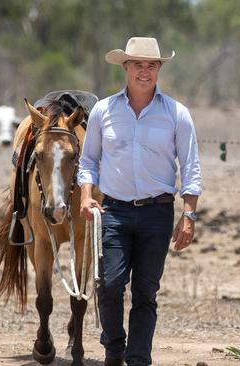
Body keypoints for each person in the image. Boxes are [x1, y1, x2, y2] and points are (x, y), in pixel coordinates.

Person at [78, 37, 202, 366]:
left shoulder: (178, 114)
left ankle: (138, 360)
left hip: (157, 213)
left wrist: (189, 216)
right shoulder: (104, 110)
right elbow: (88, 161)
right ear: (125, 67)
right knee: (110, 285)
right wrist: (87, 197)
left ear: (159, 69)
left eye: (152, 65)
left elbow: (191, 168)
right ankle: (114, 349)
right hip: (114, 211)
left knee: (146, 293)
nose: (144, 71)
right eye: (138, 65)